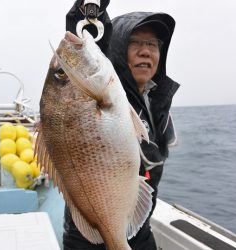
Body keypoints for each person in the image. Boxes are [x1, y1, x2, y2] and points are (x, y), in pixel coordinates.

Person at [63, 2, 179, 250]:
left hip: (139, 230)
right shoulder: (106, 89)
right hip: (87, 238)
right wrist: (88, 10)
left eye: (153, 44)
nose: (145, 51)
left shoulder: (156, 101)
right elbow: (86, 42)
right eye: (135, 42)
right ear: (117, 48)